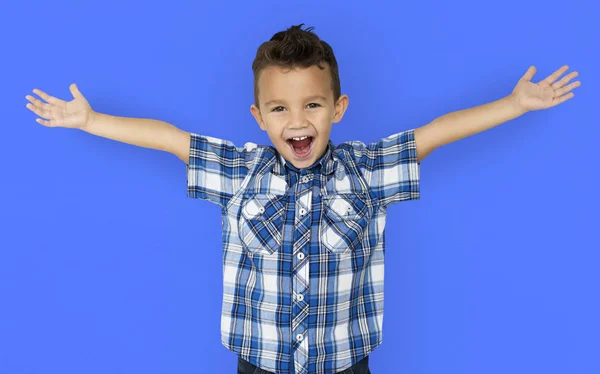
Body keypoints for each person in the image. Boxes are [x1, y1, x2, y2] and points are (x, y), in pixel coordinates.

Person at [24, 23, 580, 374]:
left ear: (337, 109)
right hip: (259, 362)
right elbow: (170, 138)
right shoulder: (238, 172)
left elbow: (434, 133)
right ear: (259, 118)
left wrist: (514, 105)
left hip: (345, 363)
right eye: (280, 109)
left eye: (312, 106)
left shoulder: (367, 171)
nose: (297, 121)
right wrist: (91, 121)